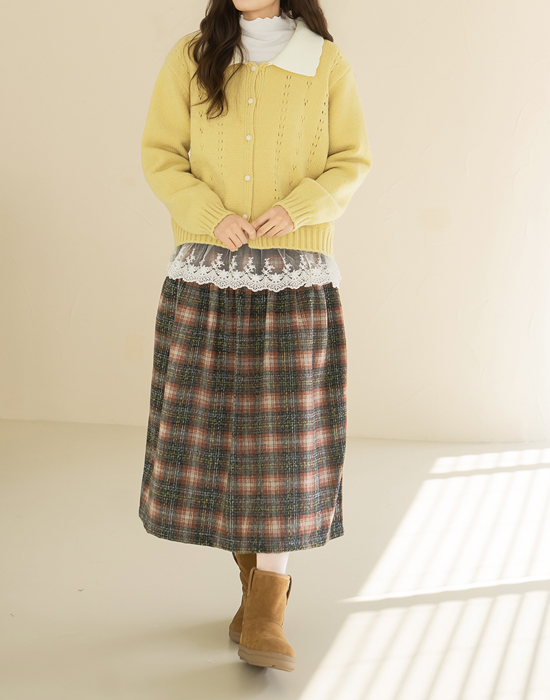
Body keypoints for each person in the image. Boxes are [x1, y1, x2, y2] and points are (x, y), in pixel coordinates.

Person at [138, 0, 372, 673]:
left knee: (285, 444)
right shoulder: (193, 56)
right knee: (215, 438)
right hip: (206, 269)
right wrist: (209, 214)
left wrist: (298, 209)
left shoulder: (325, 62)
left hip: (294, 275)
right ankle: (252, 588)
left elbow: (351, 160)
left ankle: (268, 608)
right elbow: (161, 157)